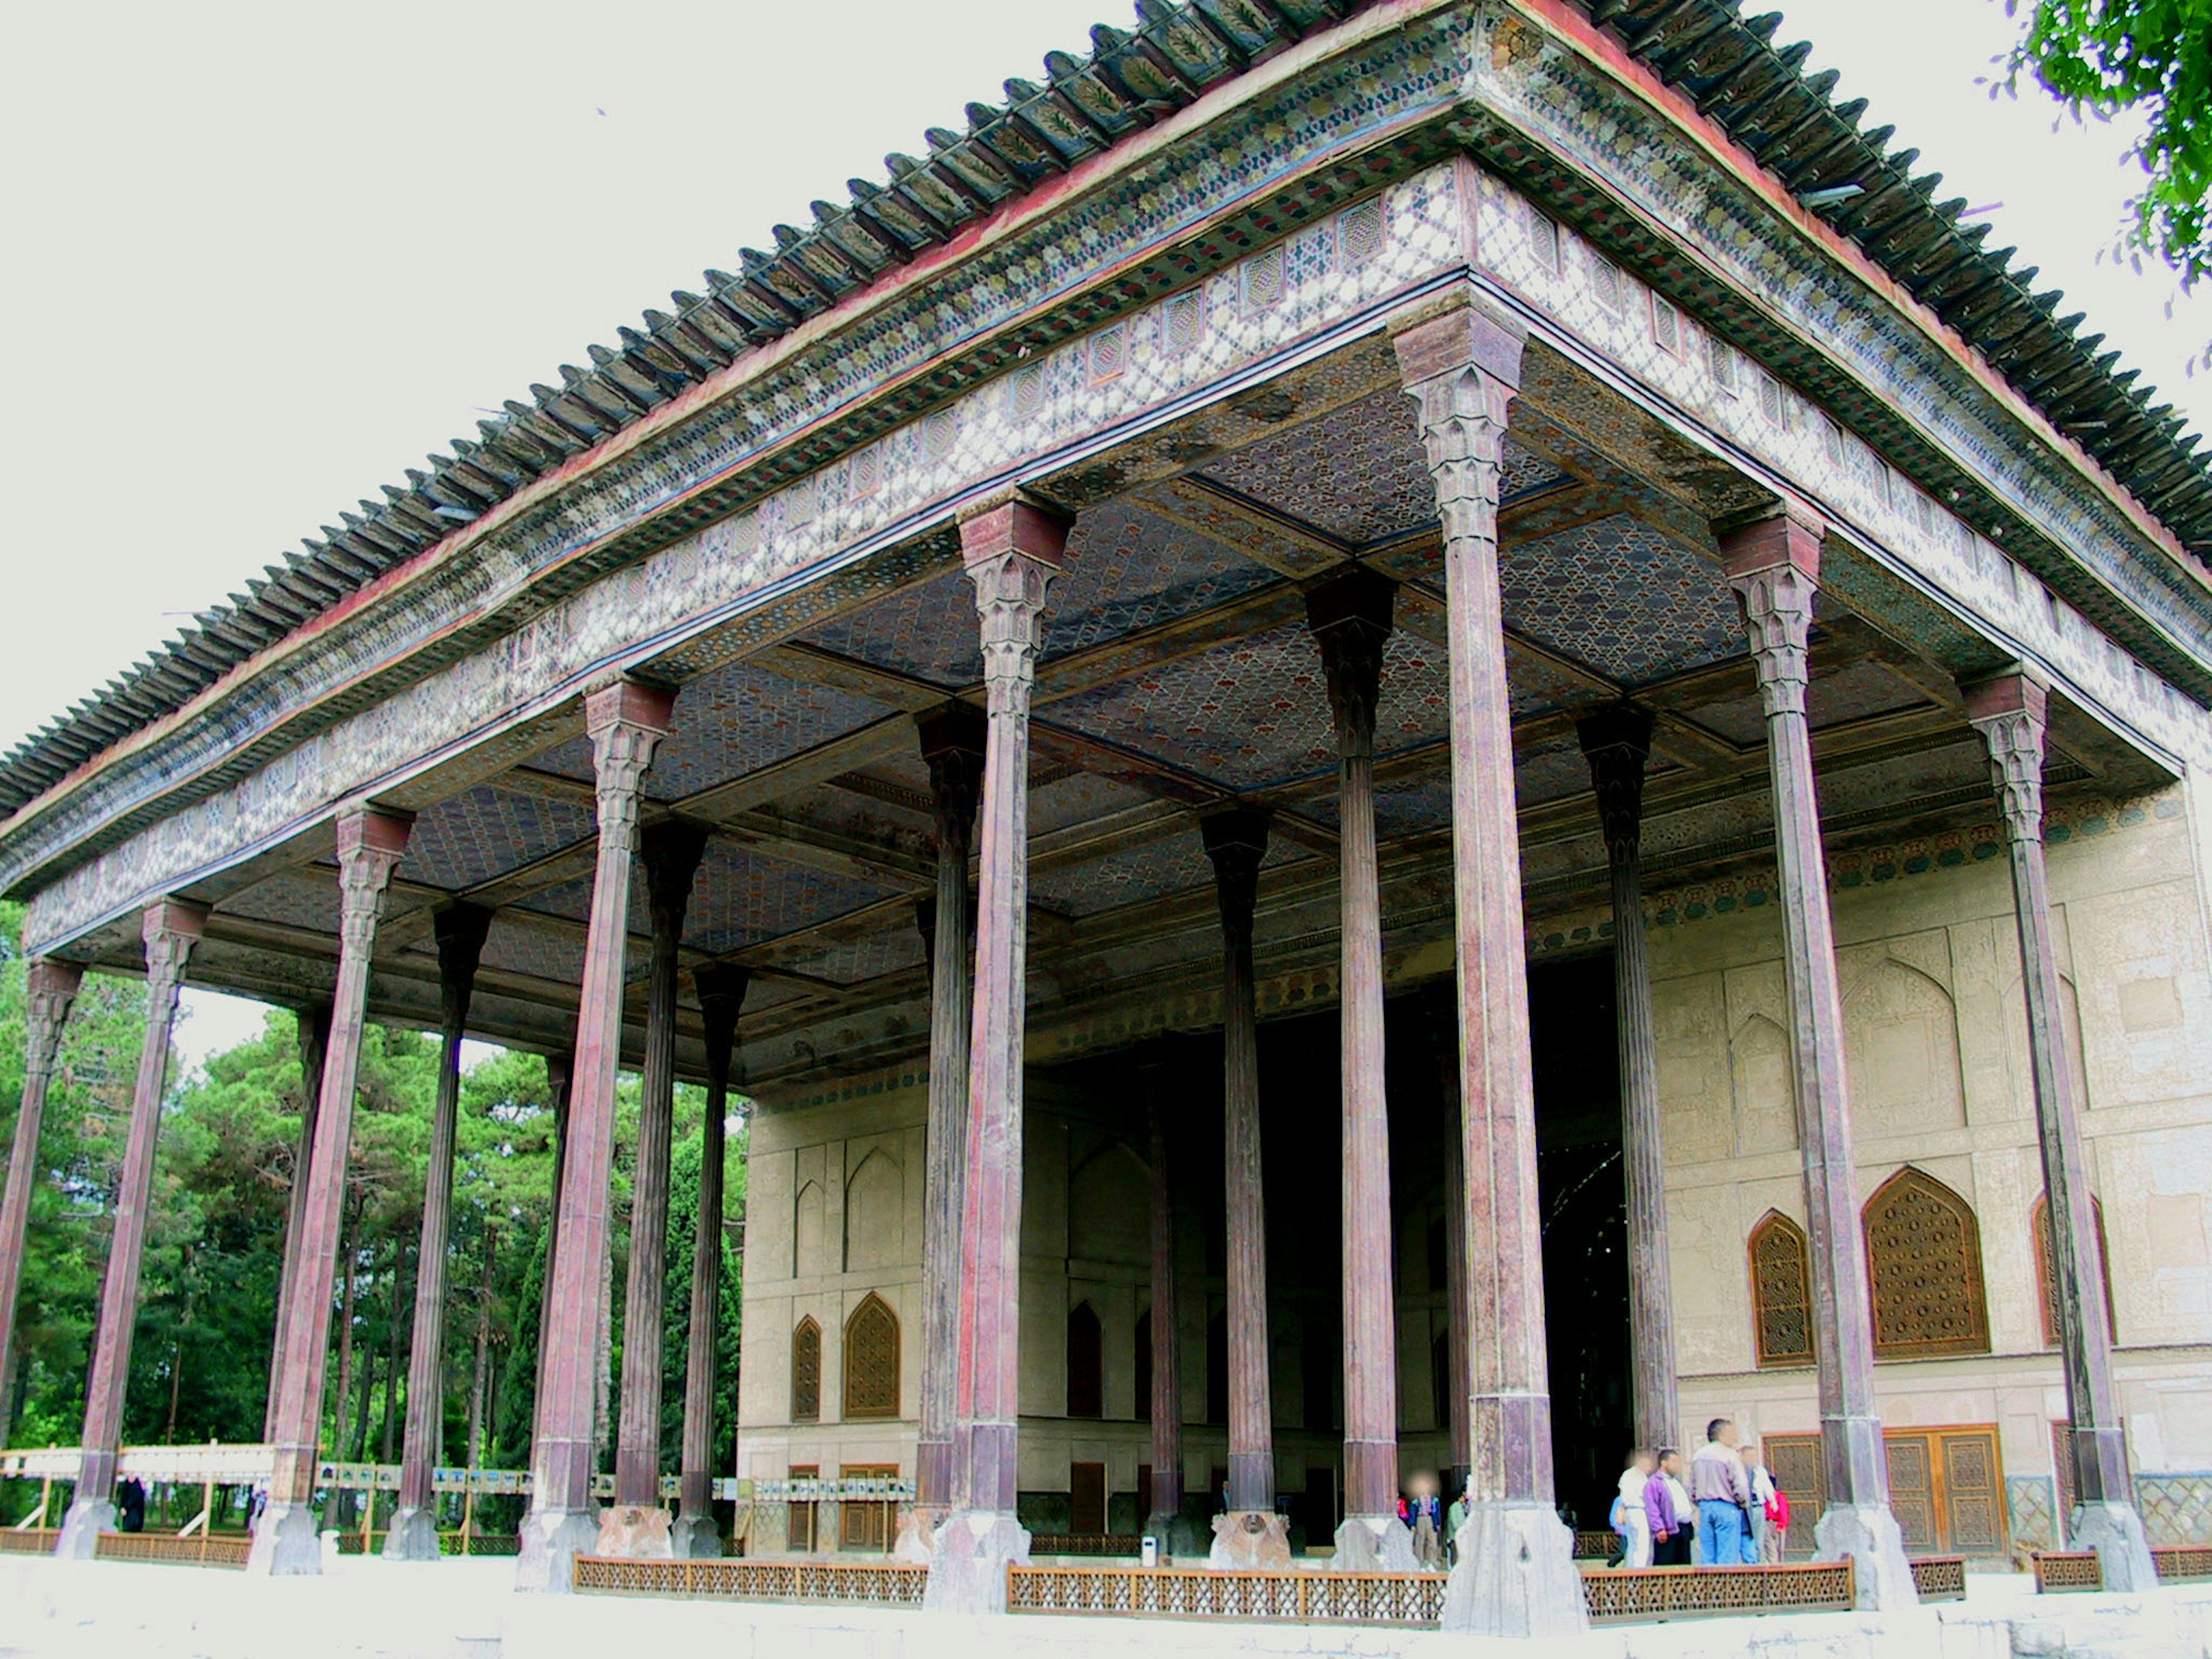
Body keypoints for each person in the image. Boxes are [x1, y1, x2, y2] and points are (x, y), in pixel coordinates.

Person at [1689, 1418, 1752, 1567]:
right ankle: (1725, 1588)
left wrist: (1698, 1502)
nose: (1735, 1437)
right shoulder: (1730, 1455)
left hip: (1705, 1507)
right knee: (1727, 1556)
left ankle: (1709, 1588)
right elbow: (1741, 1486)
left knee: (1707, 1555)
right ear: (1722, 1435)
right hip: (1726, 1507)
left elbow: (1692, 1486)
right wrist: (1744, 1503)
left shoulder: (1698, 1456)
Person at [1643, 1448, 1695, 1566]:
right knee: (1667, 1564)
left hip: (1683, 1528)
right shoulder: (1654, 1483)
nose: (1677, 1465)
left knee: (1684, 1565)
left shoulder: (1676, 1482)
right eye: (1674, 1461)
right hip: (1668, 1531)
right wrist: (1659, 1529)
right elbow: (1652, 1508)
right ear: (1664, 1463)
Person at [1612, 1449, 1654, 1569]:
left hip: (1630, 1512)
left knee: (1632, 1546)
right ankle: (1640, 1575)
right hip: (1638, 1510)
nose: (1650, 1468)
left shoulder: (1627, 1475)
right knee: (1642, 1546)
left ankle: (1631, 1573)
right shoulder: (1637, 1476)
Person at [1740, 1444, 1777, 1565]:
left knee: (1760, 1538)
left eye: (1755, 1456)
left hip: (1759, 1508)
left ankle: (1758, 1561)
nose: (1753, 1458)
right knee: (1749, 1537)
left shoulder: (1760, 1471)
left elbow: (1767, 1487)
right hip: (1746, 1509)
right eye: (1750, 1456)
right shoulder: (1740, 1471)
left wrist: (1773, 1501)